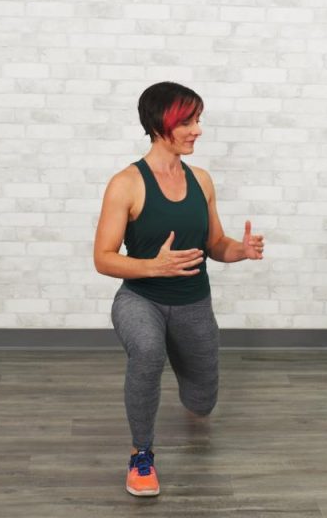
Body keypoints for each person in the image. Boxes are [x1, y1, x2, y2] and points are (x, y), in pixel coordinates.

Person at [93, 82, 265, 497]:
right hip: (141, 300)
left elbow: (215, 244)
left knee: (202, 401)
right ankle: (141, 456)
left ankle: (192, 390)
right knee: (148, 353)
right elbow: (103, 257)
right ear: (159, 125)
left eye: (197, 120)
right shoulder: (126, 183)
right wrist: (152, 266)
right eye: (187, 121)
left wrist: (239, 250)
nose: (197, 130)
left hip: (193, 304)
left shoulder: (202, 180)